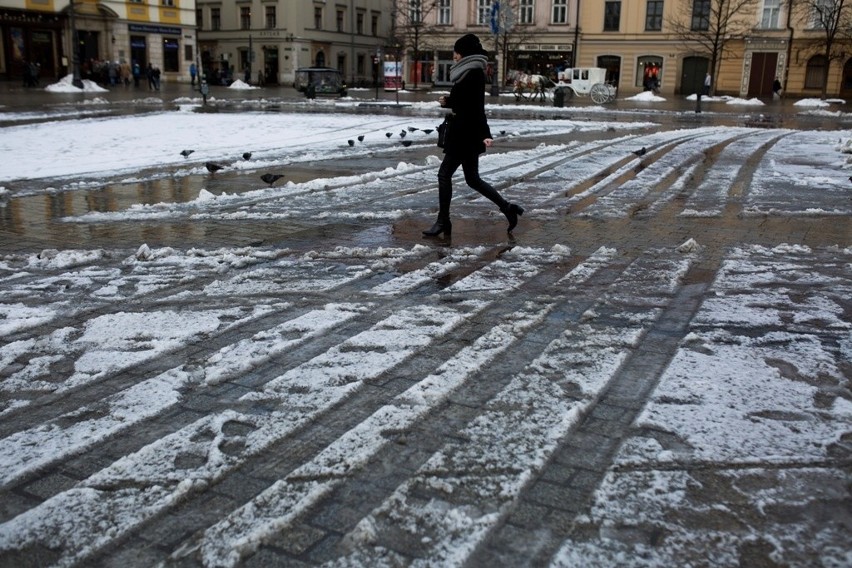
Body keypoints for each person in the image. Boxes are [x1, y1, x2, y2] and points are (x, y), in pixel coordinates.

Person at [423, 33, 524, 237]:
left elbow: (476, 107)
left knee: (444, 175)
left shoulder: (473, 73)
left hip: (464, 135)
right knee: (472, 179)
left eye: (457, 52)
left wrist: (485, 133)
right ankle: (507, 208)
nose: (454, 56)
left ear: (465, 53)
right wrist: (449, 102)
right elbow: (467, 102)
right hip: (465, 133)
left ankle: (444, 221)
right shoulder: (468, 72)